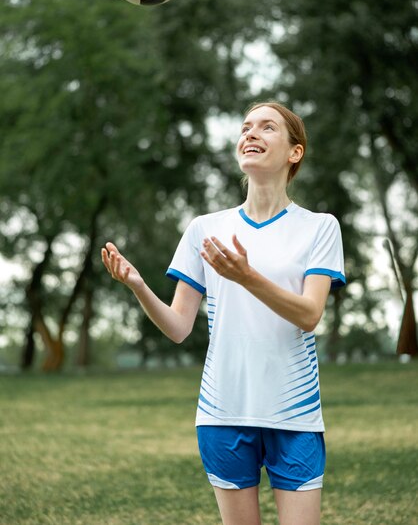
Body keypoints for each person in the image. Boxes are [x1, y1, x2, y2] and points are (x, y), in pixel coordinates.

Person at [101, 101, 346, 525]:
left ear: (294, 152)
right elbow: (178, 327)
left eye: (267, 127)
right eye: (246, 127)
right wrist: (138, 286)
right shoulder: (204, 229)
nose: (251, 134)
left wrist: (246, 276)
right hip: (222, 413)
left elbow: (309, 315)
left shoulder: (320, 227)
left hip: (296, 415)